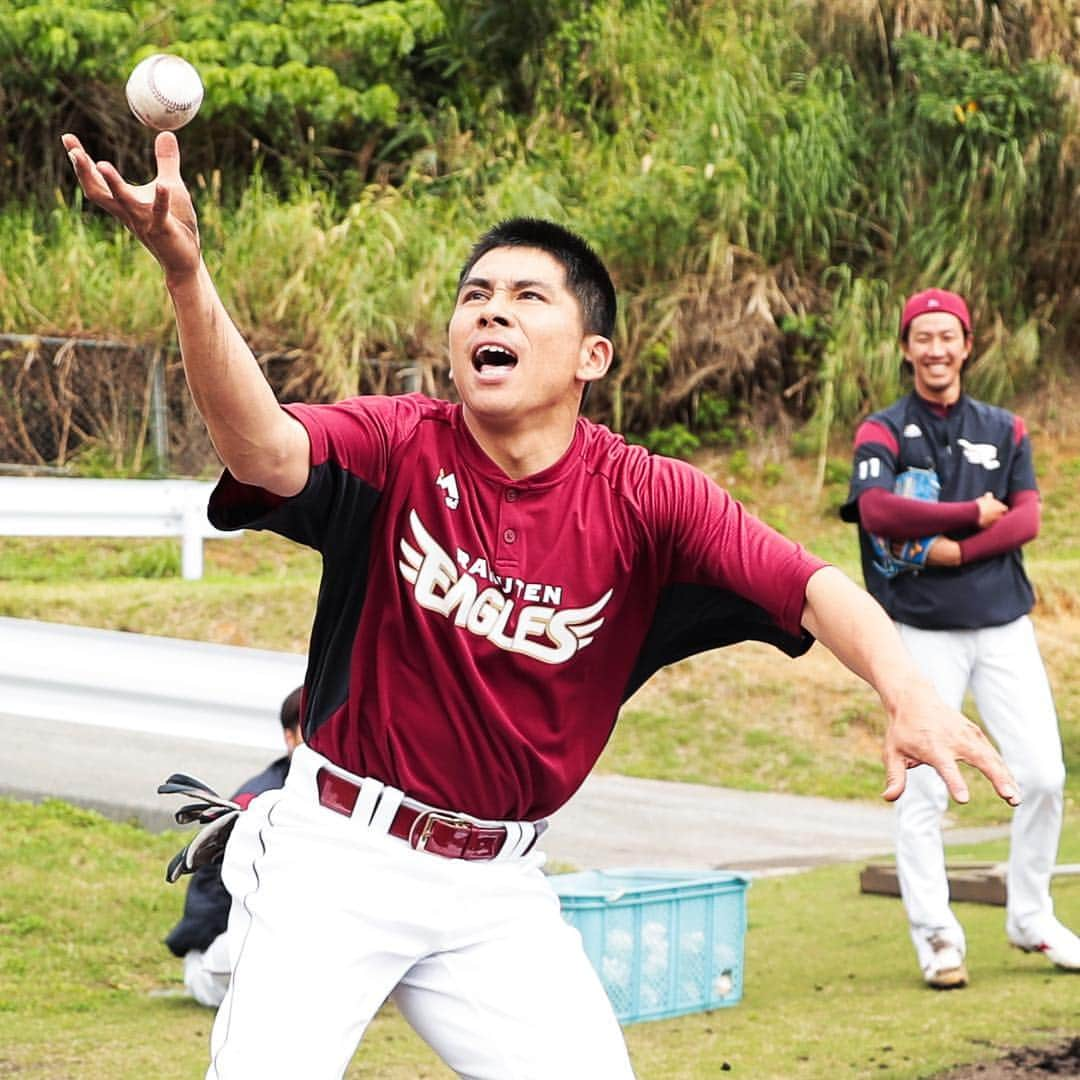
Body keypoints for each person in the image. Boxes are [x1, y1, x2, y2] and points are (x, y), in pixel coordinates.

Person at [61, 130, 1019, 1080]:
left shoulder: (647, 497)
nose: (493, 313)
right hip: (336, 857)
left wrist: (907, 692)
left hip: (496, 888)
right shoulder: (402, 442)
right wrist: (187, 276)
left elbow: (809, 584)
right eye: (475, 296)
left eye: (527, 298)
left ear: (590, 355)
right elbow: (264, 451)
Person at [841, 287, 1080, 989]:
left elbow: (1028, 519)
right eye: (924, 336)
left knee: (1042, 775)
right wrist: (973, 512)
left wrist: (955, 549)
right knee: (923, 791)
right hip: (920, 628)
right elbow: (878, 509)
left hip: (1002, 622)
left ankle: (1030, 916)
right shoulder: (881, 428)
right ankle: (938, 938)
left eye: (949, 336)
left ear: (967, 345)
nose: (937, 348)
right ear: (907, 347)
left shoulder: (1005, 427)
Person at [164, 686, 304, 1008]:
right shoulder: (258, 801)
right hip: (217, 956)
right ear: (289, 737)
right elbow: (214, 900)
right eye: (311, 729)